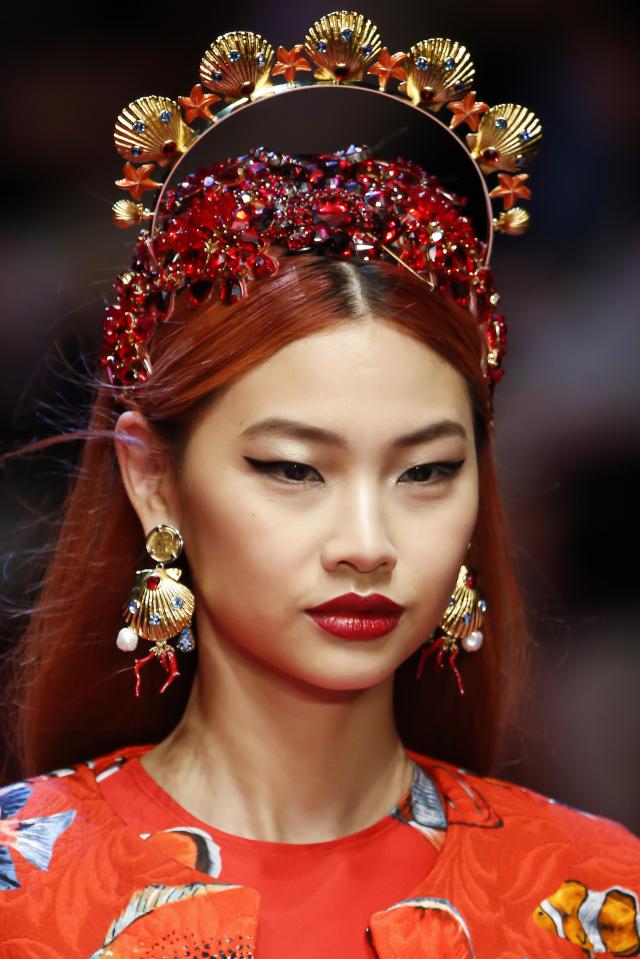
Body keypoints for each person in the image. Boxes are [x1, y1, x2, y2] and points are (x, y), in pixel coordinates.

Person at [1, 11, 638, 959]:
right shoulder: (22, 893)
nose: (368, 539)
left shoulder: (593, 899)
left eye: (426, 470)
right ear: (153, 480)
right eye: (293, 468)